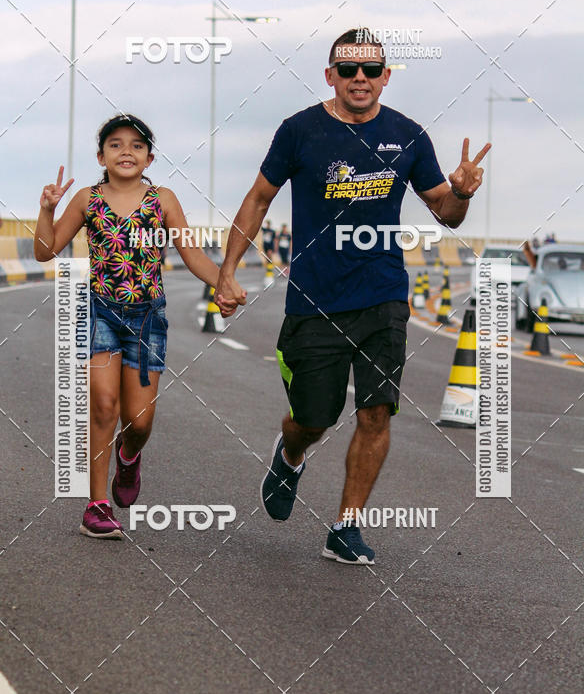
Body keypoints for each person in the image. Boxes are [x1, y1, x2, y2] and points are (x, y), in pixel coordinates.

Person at [215, 28, 489, 564]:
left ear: (387, 76)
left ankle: (346, 526)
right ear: (330, 76)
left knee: (375, 413)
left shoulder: (408, 136)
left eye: (370, 69)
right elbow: (257, 200)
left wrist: (459, 191)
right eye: (348, 69)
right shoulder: (299, 131)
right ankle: (290, 455)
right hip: (314, 298)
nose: (359, 78)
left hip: (382, 295)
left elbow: (445, 212)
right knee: (312, 419)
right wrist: (226, 272)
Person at [35, 114, 238, 539]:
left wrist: (223, 282)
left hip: (148, 319)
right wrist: (47, 209)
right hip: (99, 312)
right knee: (104, 405)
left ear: (148, 157)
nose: (126, 151)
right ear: (101, 156)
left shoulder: (162, 199)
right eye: (115, 144)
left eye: (136, 145)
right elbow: (44, 251)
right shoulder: (87, 200)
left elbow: (191, 254)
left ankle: (129, 457)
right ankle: (96, 505)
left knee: (139, 421)